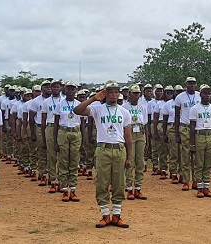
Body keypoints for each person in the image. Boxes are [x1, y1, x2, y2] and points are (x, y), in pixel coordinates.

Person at [73, 80, 132, 229]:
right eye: (110, 92)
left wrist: (129, 156)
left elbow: (128, 135)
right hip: (103, 149)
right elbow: (77, 111)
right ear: (105, 93)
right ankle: (105, 215)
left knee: (119, 183)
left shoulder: (124, 112)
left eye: (116, 92)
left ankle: (117, 216)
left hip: (119, 149)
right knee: (102, 183)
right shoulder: (98, 109)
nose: (114, 94)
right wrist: (93, 98)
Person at [53, 81, 83, 202]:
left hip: (76, 132)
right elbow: (55, 123)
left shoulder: (79, 104)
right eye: (68, 89)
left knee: (74, 161)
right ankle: (65, 189)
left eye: (73, 89)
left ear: (75, 91)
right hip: (63, 132)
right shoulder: (60, 104)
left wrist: (84, 141)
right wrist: (55, 141)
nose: (71, 91)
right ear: (65, 90)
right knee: (64, 160)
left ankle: (73, 189)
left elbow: (83, 124)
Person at [189, 84, 211, 198]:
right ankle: (199, 187)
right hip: (199, 135)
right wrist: (192, 144)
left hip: (210, 135)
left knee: (208, 163)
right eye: (205, 93)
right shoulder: (195, 108)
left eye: (209, 94)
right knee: (199, 163)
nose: (207, 96)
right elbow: (192, 127)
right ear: (200, 95)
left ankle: (206, 186)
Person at [122, 85, 149, 200]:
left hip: (140, 133)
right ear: (129, 94)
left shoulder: (143, 107)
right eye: (133, 93)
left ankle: (138, 188)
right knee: (130, 161)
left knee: (140, 162)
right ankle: (128, 188)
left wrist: (147, 140)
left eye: (138, 93)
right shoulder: (124, 107)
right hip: (129, 132)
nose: (136, 95)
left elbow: (145, 123)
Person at [174, 77, 200, 191]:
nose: (191, 85)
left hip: (197, 128)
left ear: (196, 84)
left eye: (193, 83)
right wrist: (176, 134)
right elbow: (176, 116)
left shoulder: (200, 95)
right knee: (185, 155)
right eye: (189, 83)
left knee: (197, 156)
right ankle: (185, 181)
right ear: (186, 84)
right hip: (185, 127)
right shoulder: (180, 97)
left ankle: (196, 180)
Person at [41, 80, 63, 192]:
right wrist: (43, 138)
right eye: (53, 87)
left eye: (57, 87)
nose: (55, 89)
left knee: (62, 156)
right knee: (51, 155)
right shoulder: (46, 102)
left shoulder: (64, 101)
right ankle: (53, 180)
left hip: (62, 128)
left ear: (60, 88)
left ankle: (61, 181)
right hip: (50, 127)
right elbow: (43, 119)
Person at [161, 86, 179, 183]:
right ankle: (174, 172)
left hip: (183, 127)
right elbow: (164, 120)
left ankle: (182, 173)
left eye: (180, 91)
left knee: (183, 152)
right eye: (177, 91)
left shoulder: (184, 104)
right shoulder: (168, 104)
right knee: (174, 151)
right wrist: (164, 133)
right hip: (172, 127)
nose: (178, 93)